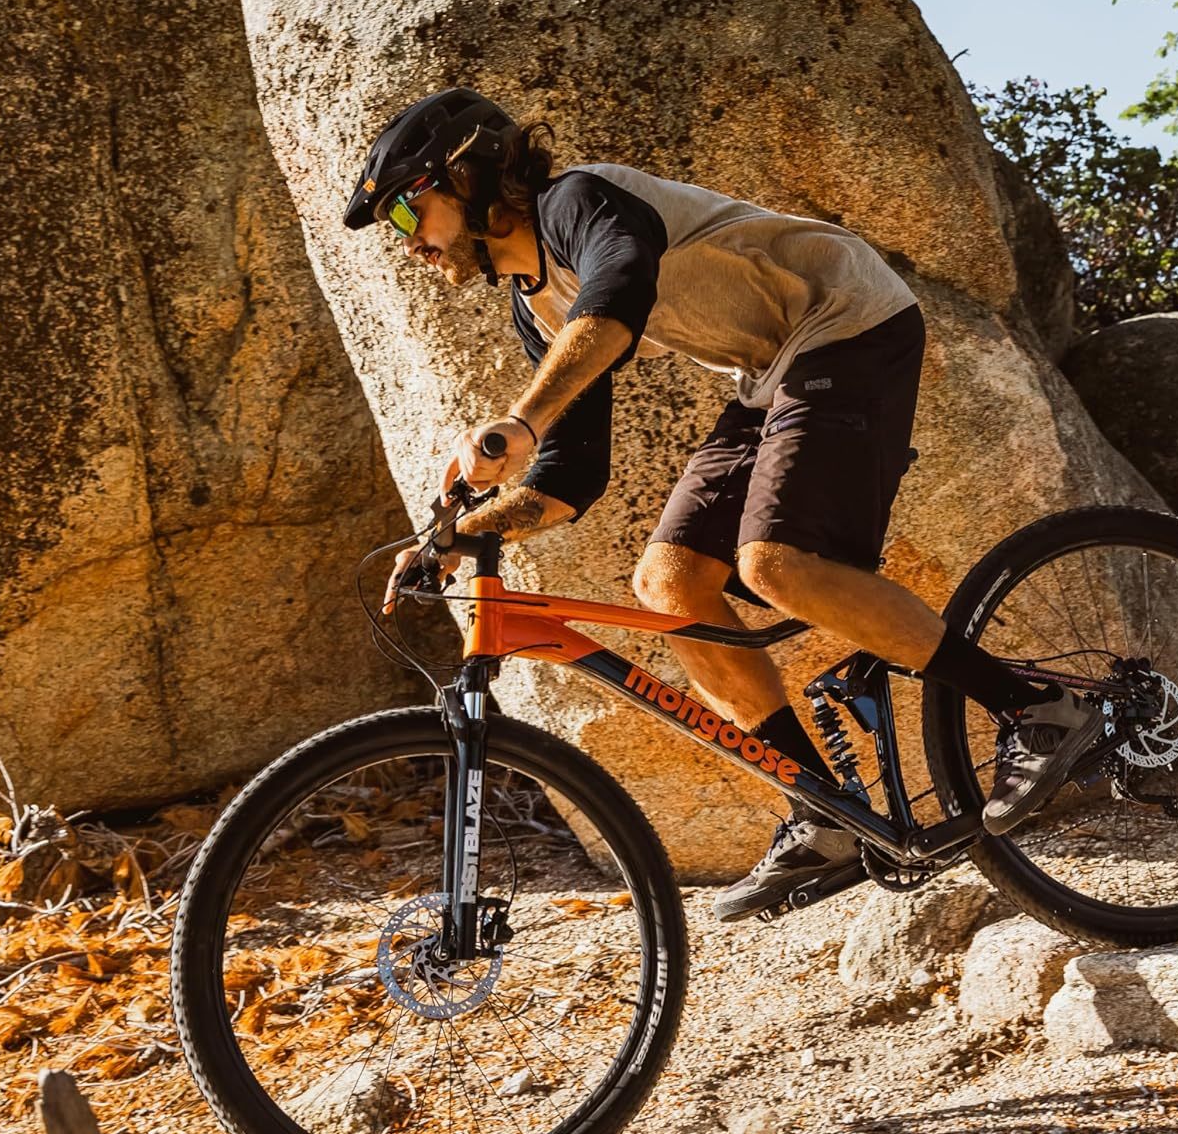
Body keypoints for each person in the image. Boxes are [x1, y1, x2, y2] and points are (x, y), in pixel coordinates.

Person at [347, 87, 1103, 921]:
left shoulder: (579, 201)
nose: (408, 243)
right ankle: (822, 812)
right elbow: (569, 480)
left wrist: (520, 421)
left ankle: (1036, 708)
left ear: (465, 175)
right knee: (669, 585)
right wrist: (458, 535)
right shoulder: (538, 306)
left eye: (407, 213)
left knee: (775, 565)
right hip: (771, 375)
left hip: (849, 321)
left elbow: (619, 293)